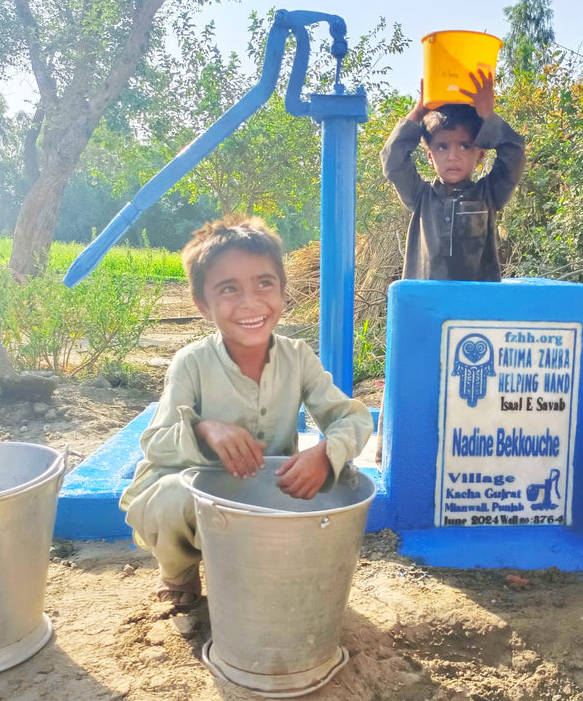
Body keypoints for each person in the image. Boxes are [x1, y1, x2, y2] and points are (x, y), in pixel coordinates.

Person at [119, 216, 373, 611]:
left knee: (327, 498)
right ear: (203, 305)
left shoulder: (298, 358)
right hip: (199, 494)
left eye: (264, 283)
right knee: (170, 498)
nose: (250, 302)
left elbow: (354, 419)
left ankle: (262, 565)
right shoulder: (191, 363)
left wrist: (326, 454)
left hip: (266, 495)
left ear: (284, 293)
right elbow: (155, 444)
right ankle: (179, 573)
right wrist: (204, 429)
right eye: (228, 289)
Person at [380, 68, 526, 282]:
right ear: (429, 156)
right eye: (441, 147)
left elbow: (514, 154)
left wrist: (488, 115)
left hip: (473, 308)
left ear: (481, 155)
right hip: (427, 306)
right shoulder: (420, 196)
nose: (452, 156)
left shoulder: (488, 194)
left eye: (465, 146)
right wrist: (418, 111)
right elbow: (392, 159)